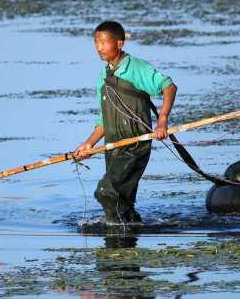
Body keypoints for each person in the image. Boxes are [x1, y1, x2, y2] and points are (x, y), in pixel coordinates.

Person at [74, 21, 177, 224]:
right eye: (96, 42)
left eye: (104, 42)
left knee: (106, 192)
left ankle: (120, 234)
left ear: (119, 44)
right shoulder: (103, 76)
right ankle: (128, 235)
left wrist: (162, 121)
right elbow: (104, 119)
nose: (99, 47)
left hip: (135, 146)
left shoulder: (136, 68)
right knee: (123, 201)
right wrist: (89, 144)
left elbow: (169, 86)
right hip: (113, 147)